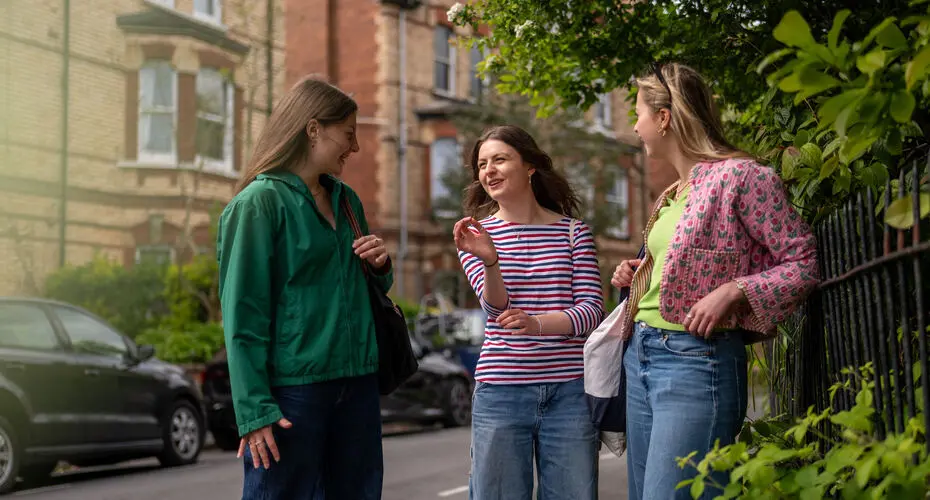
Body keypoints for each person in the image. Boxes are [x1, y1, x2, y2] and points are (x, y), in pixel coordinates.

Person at [610, 63, 820, 499]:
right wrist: (638, 275)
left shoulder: (742, 176)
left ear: (664, 118)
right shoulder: (671, 194)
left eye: (639, 113)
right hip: (640, 355)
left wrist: (736, 290)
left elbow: (802, 261)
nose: (635, 126)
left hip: (694, 362)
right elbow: (685, 265)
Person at [216, 76, 392, 500]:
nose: (355, 147)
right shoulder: (259, 203)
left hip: (357, 386)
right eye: (349, 134)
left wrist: (379, 265)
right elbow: (243, 315)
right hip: (295, 393)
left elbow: (364, 291)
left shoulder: (347, 199)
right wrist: (254, 410)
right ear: (313, 129)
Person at [453, 125, 605, 500]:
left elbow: (591, 311)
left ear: (530, 166)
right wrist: (491, 261)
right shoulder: (476, 236)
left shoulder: (573, 233)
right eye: (482, 164)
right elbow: (495, 308)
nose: (488, 170)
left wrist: (536, 324)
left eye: (500, 159)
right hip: (501, 393)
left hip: (570, 393)